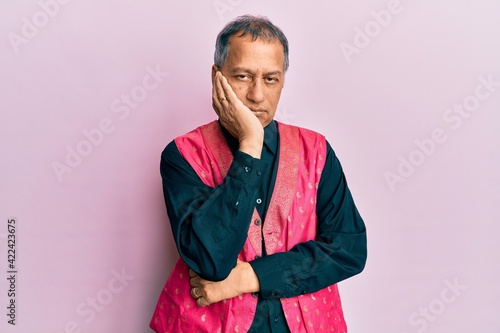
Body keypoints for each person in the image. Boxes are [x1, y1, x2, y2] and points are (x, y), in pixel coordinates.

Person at [150, 14, 367, 333]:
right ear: (217, 76)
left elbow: (349, 248)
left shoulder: (316, 151)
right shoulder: (183, 155)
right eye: (242, 76)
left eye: (271, 79)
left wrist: (247, 278)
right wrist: (251, 143)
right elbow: (210, 261)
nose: (256, 95)